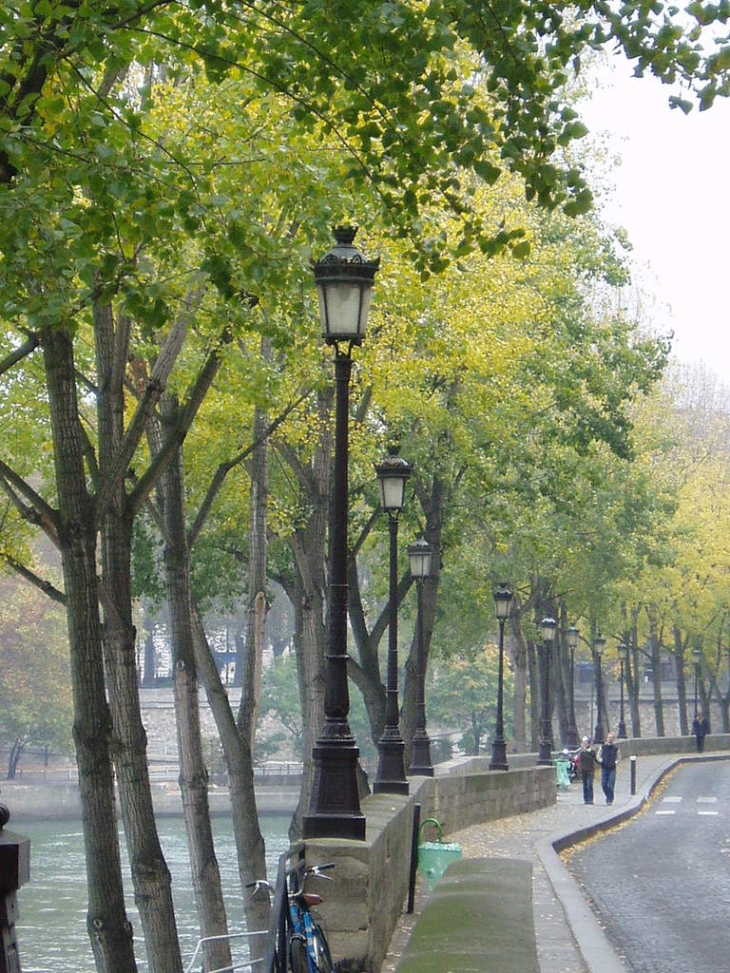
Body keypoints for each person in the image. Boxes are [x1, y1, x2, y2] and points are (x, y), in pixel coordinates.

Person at [597, 732, 620, 805]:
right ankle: (609, 796)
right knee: (604, 784)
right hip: (604, 767)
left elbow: (619, 757)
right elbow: (598, 756)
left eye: (611, 737)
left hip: (612, 768)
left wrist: (615, 762)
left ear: (613, 739)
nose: (610, 739)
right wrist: (602, 761)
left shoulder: (616, 748)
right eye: (609, 737)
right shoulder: (603, 747)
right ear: (607, 738)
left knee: (610, 784)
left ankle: (609, 799)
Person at [577, 736, 598, 805]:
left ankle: (590, 799)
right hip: (583, 770)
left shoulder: (592, 751)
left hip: (590, 770)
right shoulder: (581, 751)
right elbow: (578, 759)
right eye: (583, 742)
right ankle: (586, 799)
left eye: (585, 742)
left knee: (589, 784)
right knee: (585, 785)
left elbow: (595, 759)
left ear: (589, 744)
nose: (584, 744)